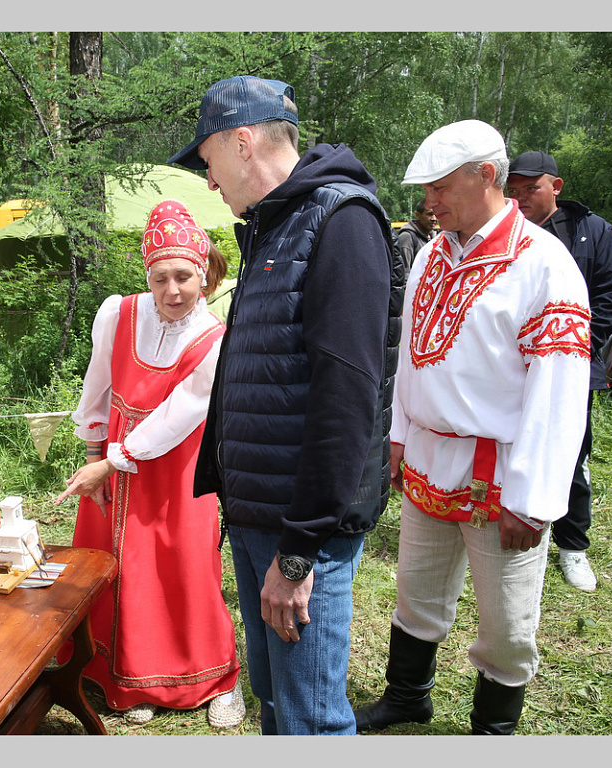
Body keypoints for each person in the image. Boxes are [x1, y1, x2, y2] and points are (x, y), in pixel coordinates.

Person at [168, 75, 400, 735]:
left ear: (242, 143)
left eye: (208, 162)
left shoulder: (340, 222)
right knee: (277, 704)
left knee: (311, 720)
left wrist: (298, 555)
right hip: (259, 517)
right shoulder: (275, 227)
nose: (209, 182)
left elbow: (345, 403)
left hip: (303, 536)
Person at [354, 120, 590, 736]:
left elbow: (558, 389)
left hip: (501, 475)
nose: (428, 202)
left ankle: (491, 732)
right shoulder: (433, 253)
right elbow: (410, 353)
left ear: (485, 175)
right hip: (430, 460)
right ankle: (409, 695)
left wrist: (534, 498)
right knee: (416, 589)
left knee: (508, 620)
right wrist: (399, 436)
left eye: (438, 187)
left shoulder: (544, 264)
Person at [55, 199, 245, 729]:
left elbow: (178, 418)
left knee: (182, 570)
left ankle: (213, 676)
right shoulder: (120, 312)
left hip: (176, 473)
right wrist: (95, 452)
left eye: (184, 276)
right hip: (112, 467)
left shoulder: (213, 339)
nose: (172, 291)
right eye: (160, 278)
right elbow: (98, 388)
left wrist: (111, 462)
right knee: (111, 568)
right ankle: (123, 676)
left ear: (204, 274)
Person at [506, 150, 612, 593]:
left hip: (572, 368)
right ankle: (508, 522)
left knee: (570, 453)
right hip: (510, 369)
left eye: (530, 189)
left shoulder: (591, 232)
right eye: (512, 191)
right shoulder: (503, 233)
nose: (520, 199)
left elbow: (611, 295)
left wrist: (573, 352)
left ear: (555, 186)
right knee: (507, 445)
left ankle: (573, 546)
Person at [394, 199, 438, 275]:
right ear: (418, 215)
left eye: (436, 214)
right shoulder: (407, 237)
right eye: (429, 214)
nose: (434, 219)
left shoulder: (435, 238)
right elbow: (404, 272)